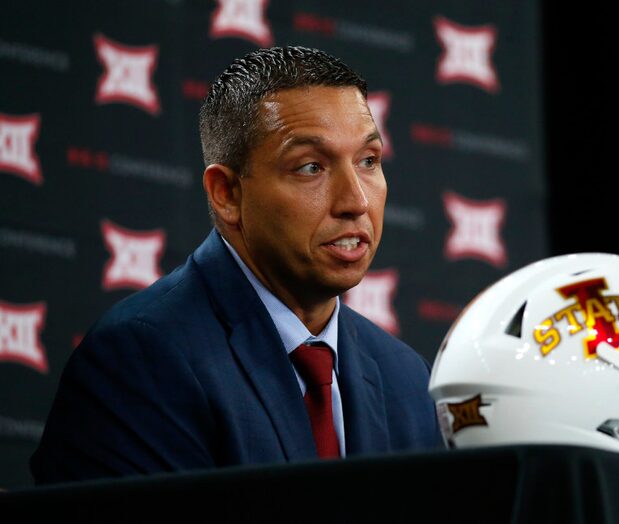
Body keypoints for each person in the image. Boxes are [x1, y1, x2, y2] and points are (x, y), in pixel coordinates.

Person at [30, 46, 443, 484]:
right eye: (310, 167)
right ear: (226, 193)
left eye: (368, 161)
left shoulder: (404, 377)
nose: (356, 201)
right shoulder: (139, 359)